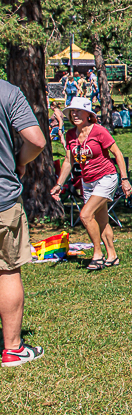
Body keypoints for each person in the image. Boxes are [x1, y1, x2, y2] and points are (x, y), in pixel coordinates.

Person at [51, 98, 132, 270]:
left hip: (106, 177)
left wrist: (124, 180)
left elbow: (117, 154)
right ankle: (112, 256)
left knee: (85, 215)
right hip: (87, 181)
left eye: (78, 111)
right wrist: (59, 185)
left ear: (88, 114)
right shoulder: (71, 135)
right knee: (101, 220)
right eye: (72, 111)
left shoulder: (99, 131)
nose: (75, 114)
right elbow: (68, 161)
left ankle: (97, 253)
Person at [0, 80, 47, 367]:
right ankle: (13, 348)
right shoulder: (7, 92)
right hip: (2, 200)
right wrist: (20, 161)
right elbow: (37, 140)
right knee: (7, 270)